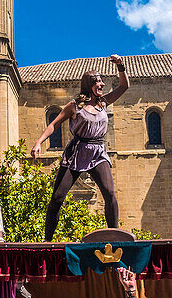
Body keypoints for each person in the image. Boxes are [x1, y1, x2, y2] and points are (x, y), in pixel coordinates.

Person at [31, 60, 129, 241]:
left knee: (109, 193)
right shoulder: (75, 106)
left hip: (98, 152)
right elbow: (54, 124)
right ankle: (48, 241)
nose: (102, 84)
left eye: (102, 81)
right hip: (76, 153)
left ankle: (115, 237)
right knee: (58, 198)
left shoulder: (104, 103)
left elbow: (124, 86)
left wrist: (120, 66)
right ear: (89, 84)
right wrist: (38, 142)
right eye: (98, 81)